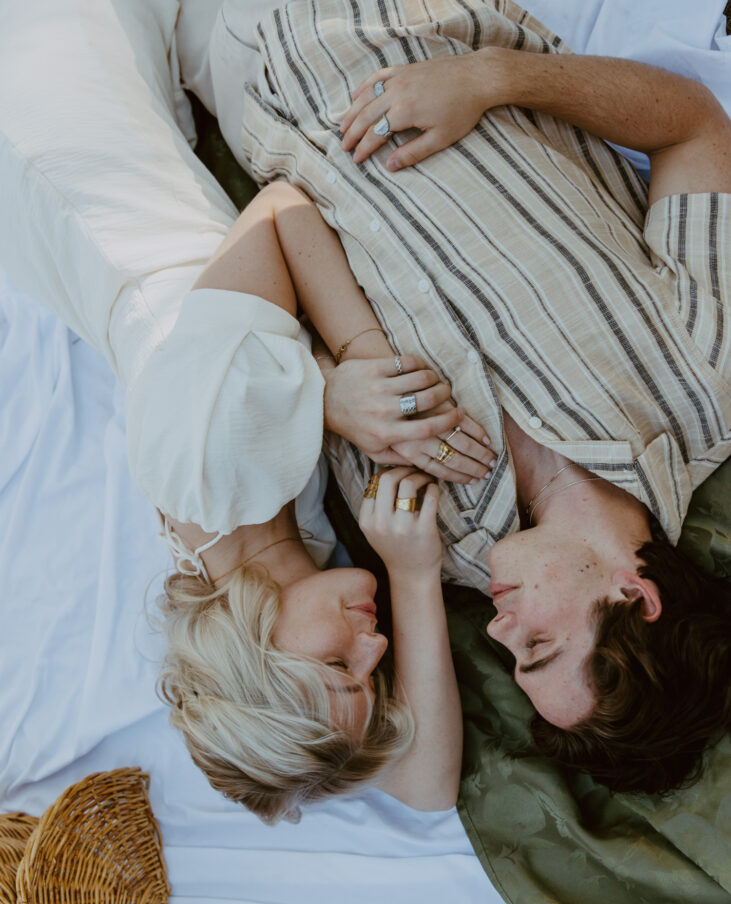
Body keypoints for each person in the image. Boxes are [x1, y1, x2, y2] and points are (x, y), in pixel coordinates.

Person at [200, 0, 731, 794]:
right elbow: (693, 126)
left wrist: (323, 392)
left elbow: (259, 308)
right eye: (538, 647)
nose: (497, 628)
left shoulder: (426, 534)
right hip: (391, 18)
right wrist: (491, 77)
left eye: (508, 657)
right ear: (637, 596)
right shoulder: (702, 385)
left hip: (239, 72)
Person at [158, 181, 465, 823]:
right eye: (371, 676)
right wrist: (412, 577)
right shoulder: (274, 558)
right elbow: (430, 787)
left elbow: (279, 209)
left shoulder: (216, 461)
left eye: (338, 663)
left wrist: (349, 381)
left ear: (256, 645)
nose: (378, 649)